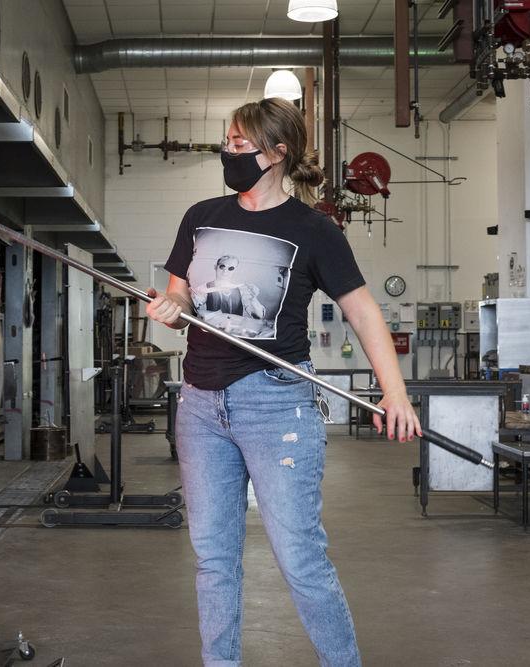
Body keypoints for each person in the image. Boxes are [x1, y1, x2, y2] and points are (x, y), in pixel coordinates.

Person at [145, 98, 421, 667]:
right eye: (227, 143)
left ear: (278, 153)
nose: (230, 153)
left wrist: (393, 391)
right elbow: (179, 289)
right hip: (199, 404)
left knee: (300, 556)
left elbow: (366, 313)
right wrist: (171, 305)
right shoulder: (201, 215)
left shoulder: (313, 229)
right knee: (213, 558)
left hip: (275, 403)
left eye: (242, 146)